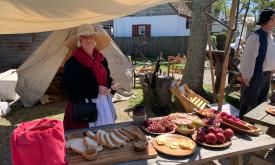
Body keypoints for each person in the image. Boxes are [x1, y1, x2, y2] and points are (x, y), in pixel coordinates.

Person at [62, 24, 119, 130]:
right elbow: (68, 86)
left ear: (95, 39)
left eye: (90, 36)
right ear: (79, 40)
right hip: (84, 108)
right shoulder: (72, 62)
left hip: (103, 103)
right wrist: (95, 89)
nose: (88, 40)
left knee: (105, 136)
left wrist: (112, 83)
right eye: (84, 37)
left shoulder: (101, 59)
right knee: (88, 141)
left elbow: (106, 78)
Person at [239, 8, 275, 119]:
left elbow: (269, 55)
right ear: (269, 20)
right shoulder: (255, 37)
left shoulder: (270, 36)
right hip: (255, 75)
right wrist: (246, 76)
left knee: (260, 104)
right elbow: (247, 59)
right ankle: (241, 126)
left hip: (266, 75)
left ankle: (253, 127)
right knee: (248, 102)